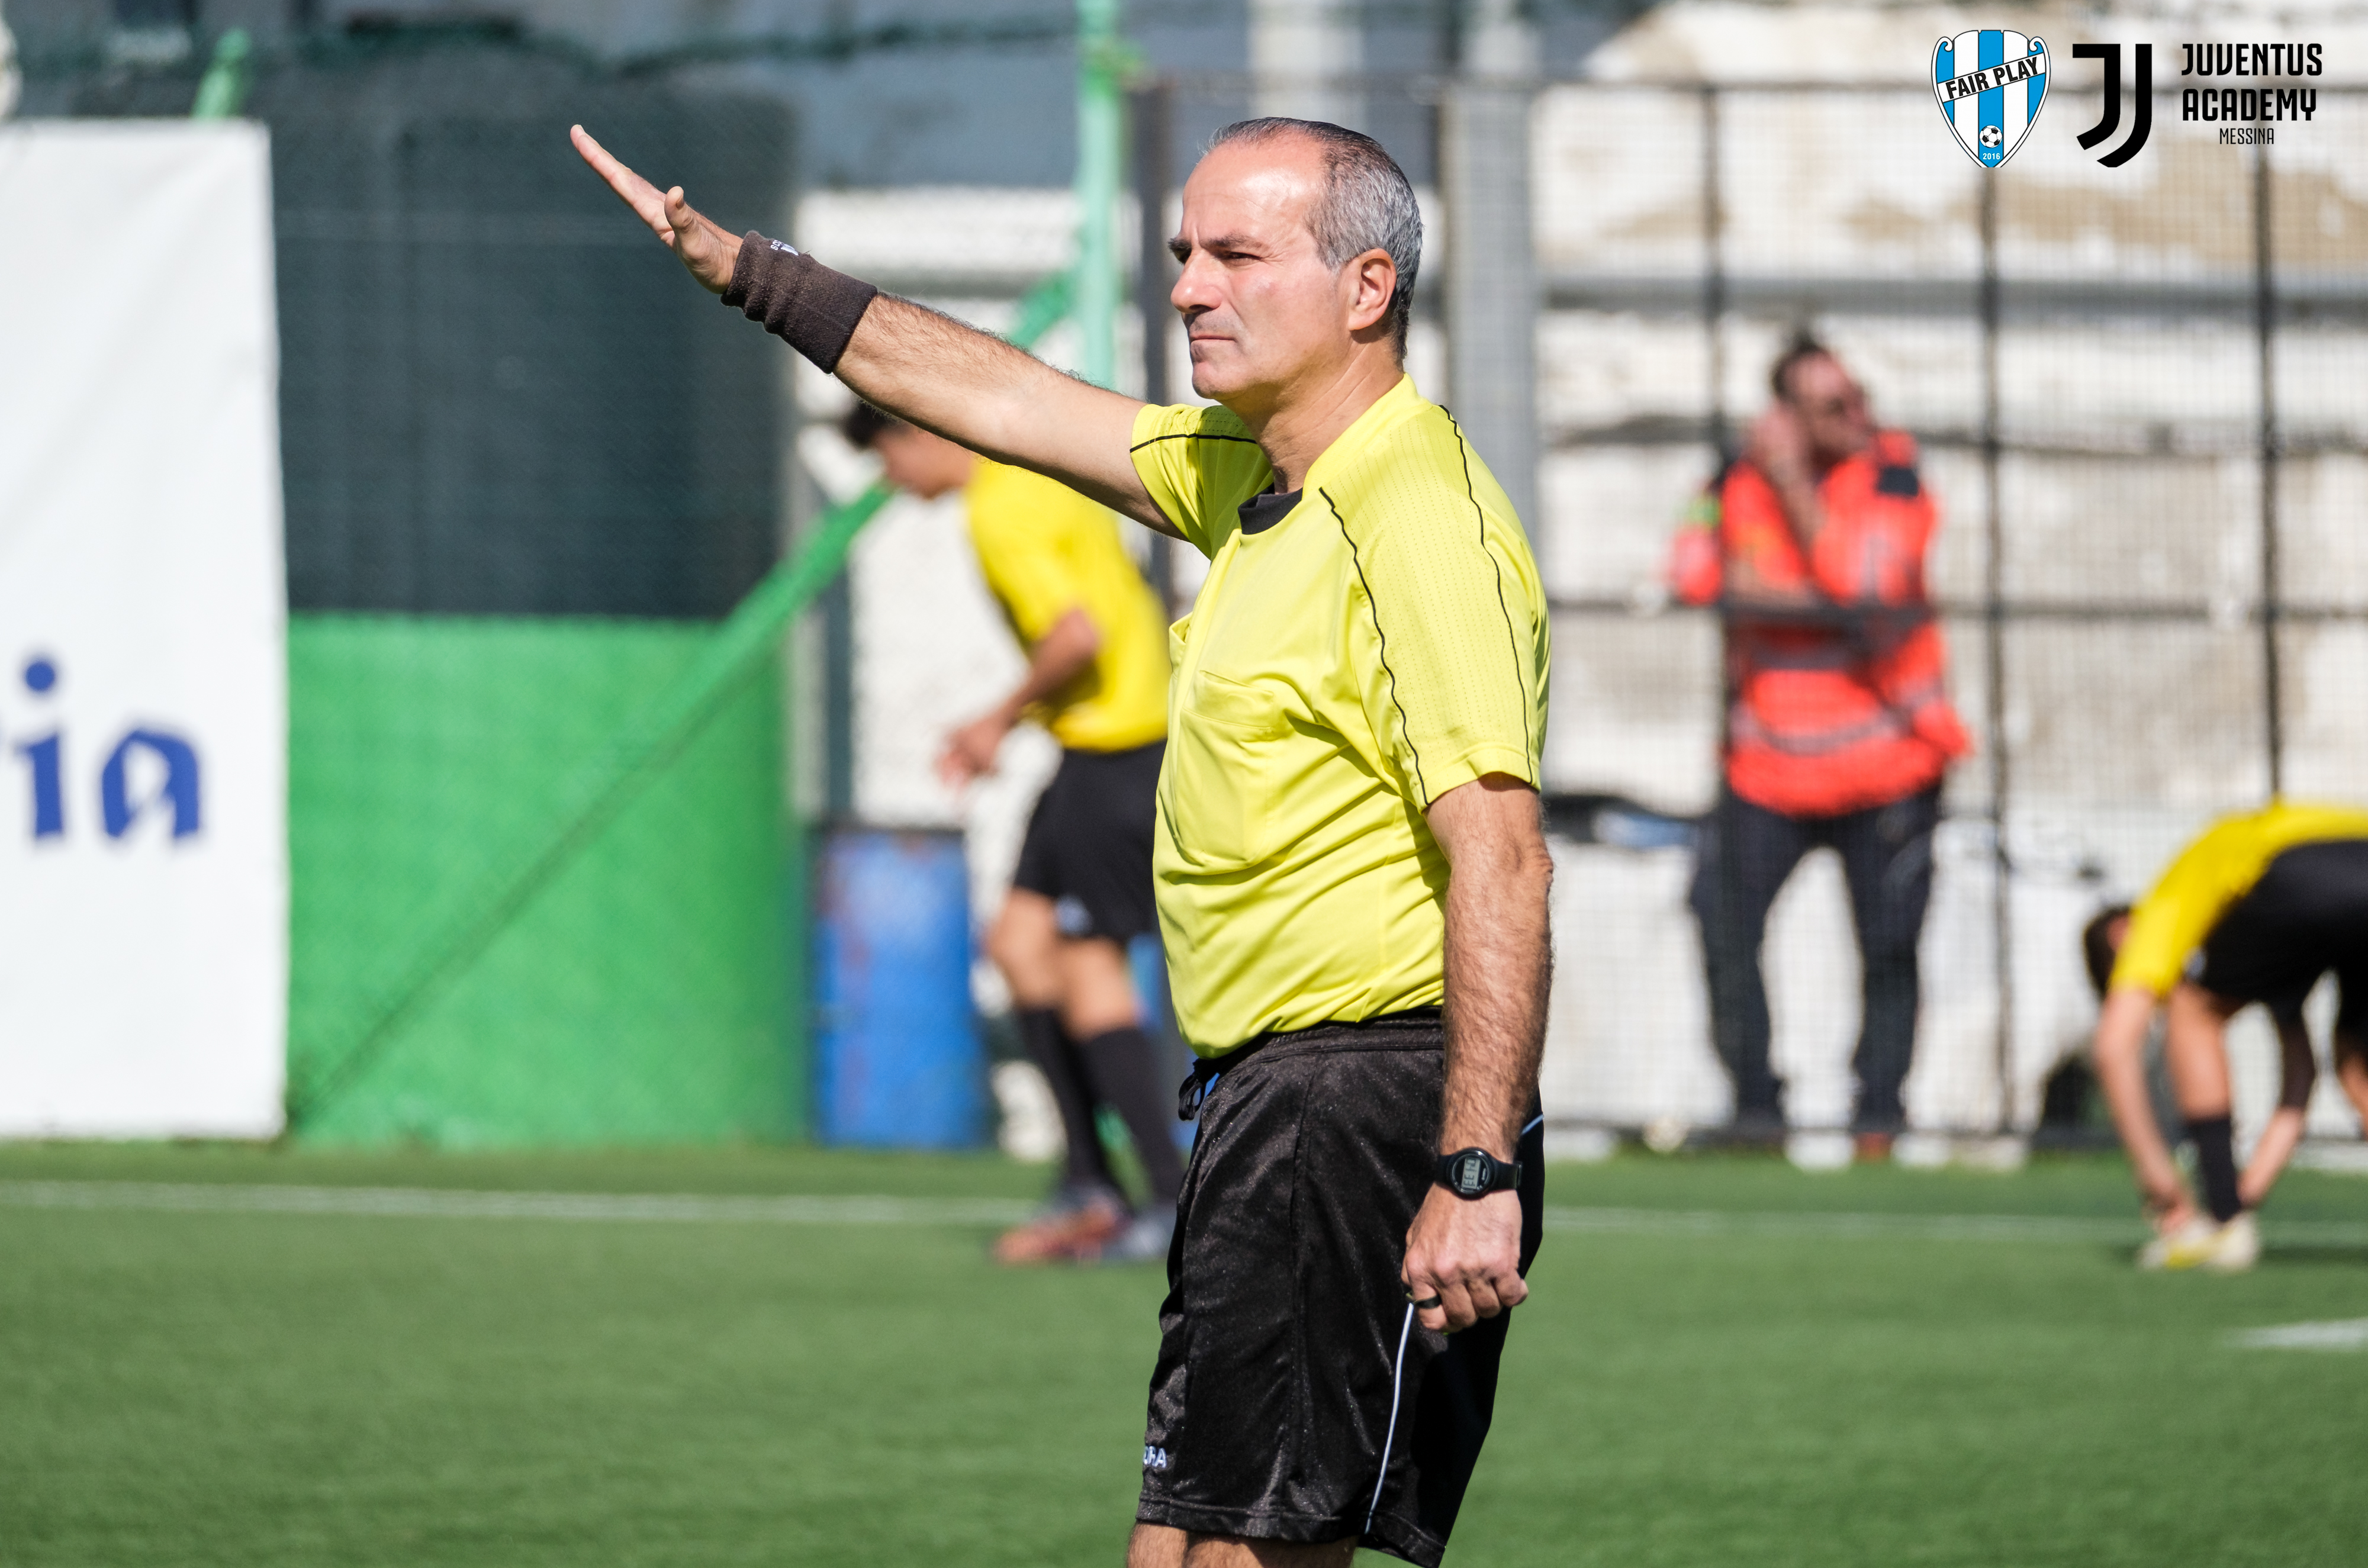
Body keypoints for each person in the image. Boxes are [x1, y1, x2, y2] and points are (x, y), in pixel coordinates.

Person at [573, 112, 1552, 1568]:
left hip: (1363, 1098)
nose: (1189, 287)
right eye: (1183, 253)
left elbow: (1504, 857)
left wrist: (1469, 1172)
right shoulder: (1249, 473)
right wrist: (754, 275)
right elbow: (1008, 398)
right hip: (1261, 1101)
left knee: (1246, 1555)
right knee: (1173, 1545)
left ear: (1365, 288)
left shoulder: (1416, 517)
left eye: (1237, 255)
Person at [842, 401, 1182, 1265]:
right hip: (1098, 751)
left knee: (1089, 962)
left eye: (886, 460)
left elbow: (1077, 635)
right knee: (1020, 943)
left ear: (916, 433)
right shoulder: (1040, 475)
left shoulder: (999, 510)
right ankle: (1089, 1181)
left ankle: (1168, 1199)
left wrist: (994, 719)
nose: (892, 481)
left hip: (1120, 754)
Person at [1668, 336, 1971, 1159]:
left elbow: (1864, 586)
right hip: (1765, 770)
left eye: (1858, 396)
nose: (1857, 415)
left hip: (1889, 765)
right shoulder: (1730, 479)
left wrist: (1791, 498)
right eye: (1833, 405)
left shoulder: (1894, 473)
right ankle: (1756, 1110)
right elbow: (1692, 574)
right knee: (1719, 920)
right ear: (1787, 416)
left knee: (1890, 948)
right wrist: (1811, 599)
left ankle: (1879, 1116)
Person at [2082, 800, 2368, 1273]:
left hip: (2299, 865)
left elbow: (2113, 1048)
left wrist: (2158, 1176)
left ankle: (2220, 1225)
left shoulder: (2164, 906)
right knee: (2357, 1066)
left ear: (2121, 935)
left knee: (2193, 1010)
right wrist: (2244, 1193)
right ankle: (2226, 1215)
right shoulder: (2262, 943)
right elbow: (2301, 1075)